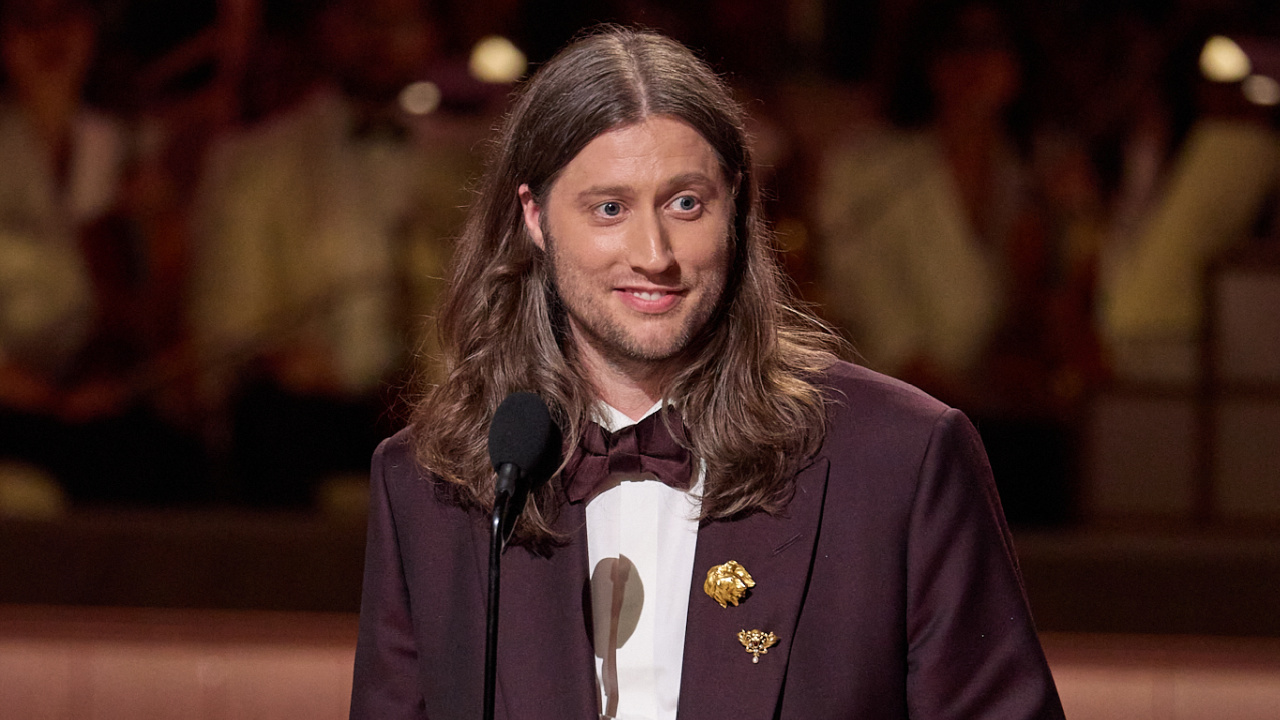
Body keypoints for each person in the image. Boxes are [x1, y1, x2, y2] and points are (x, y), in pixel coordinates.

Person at [349, 26, 1064, 720]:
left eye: (685, 204)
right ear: (535, 218)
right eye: (609, 208)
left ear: (737, 207)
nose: (653, 253)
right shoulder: (430, 485)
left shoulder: (901, 459)